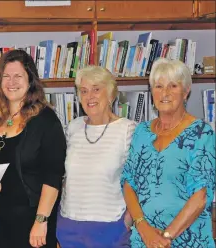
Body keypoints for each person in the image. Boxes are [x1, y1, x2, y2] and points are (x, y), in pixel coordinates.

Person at [0, 49, 66, 248]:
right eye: (6, 76)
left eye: (18, 76)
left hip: (33, 224)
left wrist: (41, 221)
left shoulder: (47, 121)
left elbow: (53, 176)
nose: (11, 82)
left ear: (30, 80)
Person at [121, 58, 216, 248]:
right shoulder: (142, 131)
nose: (164, 93)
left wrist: (165, 237)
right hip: (144, 238)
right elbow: (128, 182)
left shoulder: (201, 133)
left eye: (173, 86)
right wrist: (143, 228)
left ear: (186, 91)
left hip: (188, 239)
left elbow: (201, 196)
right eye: (158, 86)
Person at [56, 66, 134, 247]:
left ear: (111, 94)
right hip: (69, 226)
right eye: (83, 91)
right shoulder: (72, 127)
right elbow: (64, 176)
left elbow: (140, 180)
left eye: (96, 89)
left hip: (111, 228)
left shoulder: (127, 130)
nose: (89, 96)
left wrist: (129, 219)